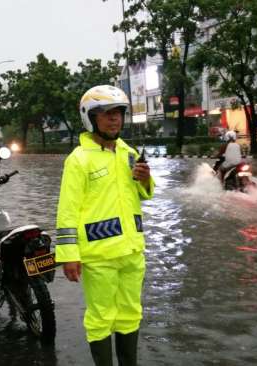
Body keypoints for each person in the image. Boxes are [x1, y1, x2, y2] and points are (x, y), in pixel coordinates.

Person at [55, 85, 154, 366]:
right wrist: (69, 254)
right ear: (91, 118)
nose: (114, 119)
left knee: (130, 313)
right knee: (100, 318)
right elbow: (67, 210)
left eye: (118, 113)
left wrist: (145, 179)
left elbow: (143, 194)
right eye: (106, 114)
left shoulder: (129, 153)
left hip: (132, 252)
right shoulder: (79, 159)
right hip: (98, 255)